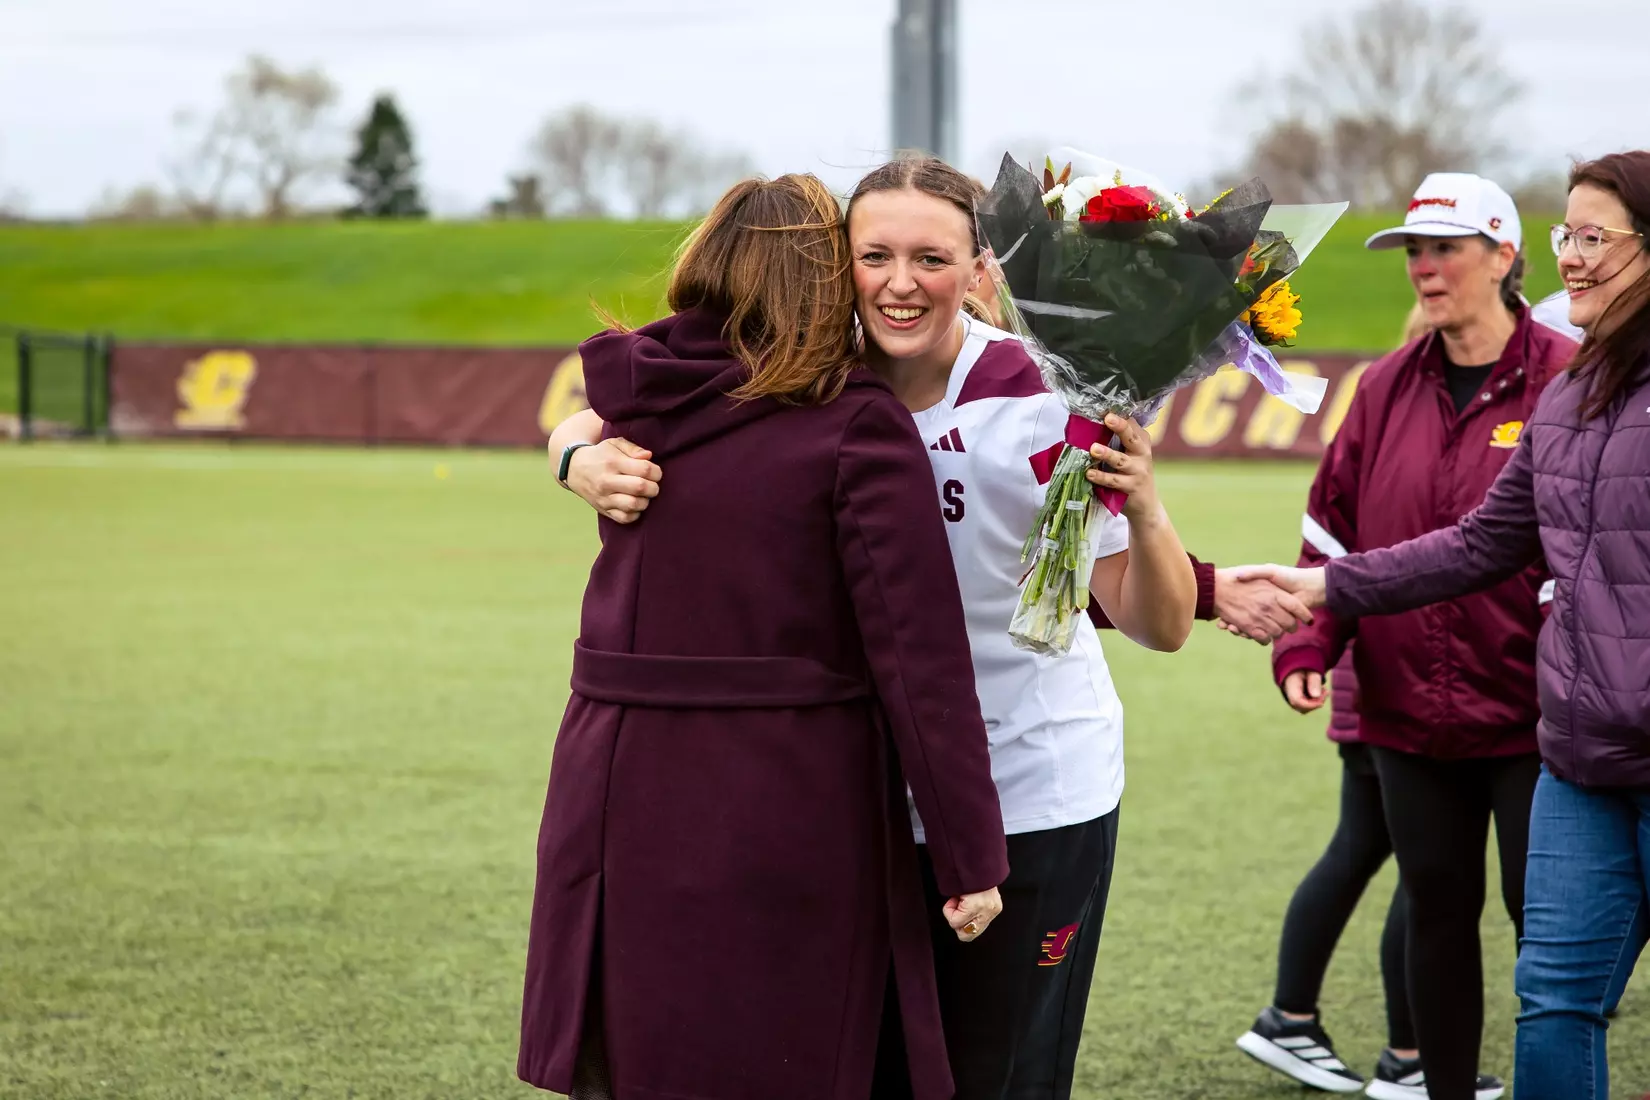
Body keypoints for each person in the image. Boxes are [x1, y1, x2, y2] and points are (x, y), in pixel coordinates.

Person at [547, 154, 1204, 1100]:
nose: (901, 284)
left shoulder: (1047, 397)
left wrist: (1144, 509)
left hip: (1025, 789)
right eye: (875, 256)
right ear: (836, 262)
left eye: (932, 258)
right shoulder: (807, 367)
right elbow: (603, 407)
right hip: (859, 804)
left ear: (981, 268)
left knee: (997, 1077)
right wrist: (576, 460)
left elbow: (1159, 624)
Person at [516, 172, 1011, 1100]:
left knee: (642, 1057)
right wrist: (970, 854)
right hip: (782, 794)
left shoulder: (638, 398)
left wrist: (570, 450)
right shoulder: (858, 422)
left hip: (611, 785)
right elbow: (919, 661)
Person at [1238, 152, 1650, 1100]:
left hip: (1533, 711)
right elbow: (1457, 542)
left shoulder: (1561, 375)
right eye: (1412, 249)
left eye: (1444, 246)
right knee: (1526, 976)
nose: (1424, 266)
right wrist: (1315, 607)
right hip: (1458, 714)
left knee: (1535, 940)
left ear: (1501, 256)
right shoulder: (1426, 391)